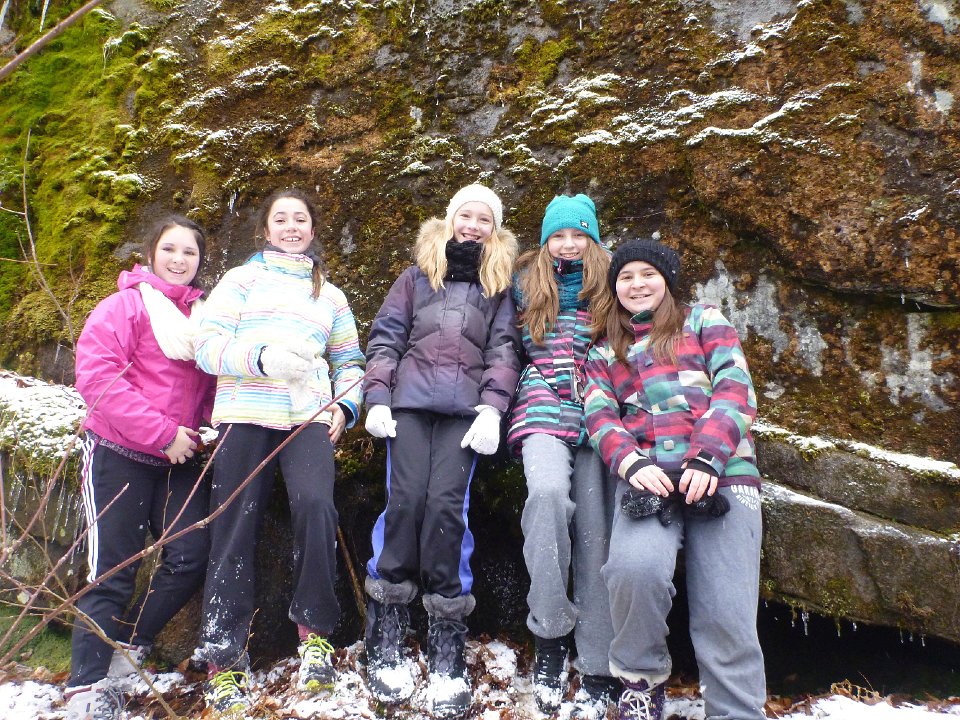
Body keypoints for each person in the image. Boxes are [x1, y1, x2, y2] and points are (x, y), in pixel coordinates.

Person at [193, 188, 365, 717]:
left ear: (312, 229)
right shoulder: (240, 281)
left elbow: (351, 361)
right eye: (282, 219)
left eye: (301, 219)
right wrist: (264, 359)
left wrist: (344, 407)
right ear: (266, 230)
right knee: (233, 524)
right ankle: (224, 658)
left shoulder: (330, 295)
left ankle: (315, 638)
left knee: (316, 508)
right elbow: (207, 347)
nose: (292, 227)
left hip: (306, 417)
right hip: (244, 413)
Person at [582, 238, 766, 720]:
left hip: (723, 475)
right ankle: (639, 682)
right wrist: (631, 463)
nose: (637, 284)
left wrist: (707, 457)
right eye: (626, 277)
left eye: (648, 274)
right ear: (615, 288)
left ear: (667, 280)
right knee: (633, 571)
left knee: (726, 605)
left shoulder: (704, 321)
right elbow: (599, 416)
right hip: (648, 479)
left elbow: (735, 389)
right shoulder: (604, 350)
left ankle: (736, 710)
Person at [361, 183, 521, 718]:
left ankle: (447, 638)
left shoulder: (498, 288)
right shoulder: (415, 278)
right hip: (407, 407)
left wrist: (493, 409)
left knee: (447, 507)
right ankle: (386, 624)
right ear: (450, 219)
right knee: (405, 500)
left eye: (483, 219)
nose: (472, 225)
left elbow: (504, 351)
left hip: (464, 415)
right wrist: (377, 398)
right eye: (465, 215)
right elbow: (386, 338)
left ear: (494, 230)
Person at [66, 216, 216, 720]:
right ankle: (86, 687)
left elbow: (209, 388)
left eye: (189, 252)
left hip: (178, 460)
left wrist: (212, 425)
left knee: (190, 554)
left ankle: (128, 646)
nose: (179, 259)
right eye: (170, 249)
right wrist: (163, 433)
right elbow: (97, 379)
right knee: (113, 570)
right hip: (119, 453)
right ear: (152, 254)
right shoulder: (125, 307)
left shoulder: (204, 319)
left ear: (200, 260)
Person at [506, 194, 620, 717]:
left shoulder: (613, 284)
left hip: (598, 414)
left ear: (592, 239)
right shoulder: (524, 284)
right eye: (559, 236)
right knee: (548, 500)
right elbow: (506, 347)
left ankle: (597, 660)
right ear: (546, 240)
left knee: (596, 530)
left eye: (578, 235)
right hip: (542, 406)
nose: (569, 244)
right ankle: (550, 636)